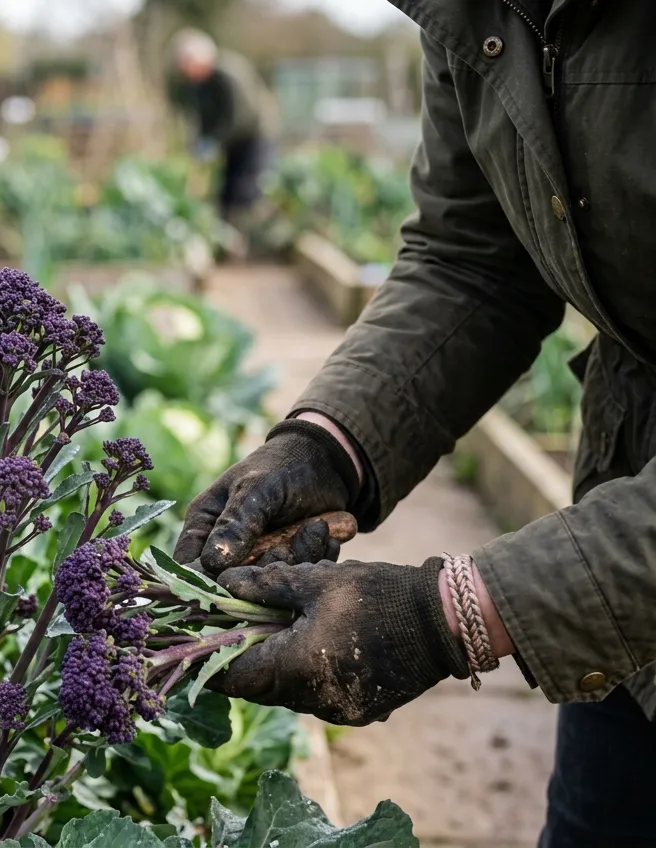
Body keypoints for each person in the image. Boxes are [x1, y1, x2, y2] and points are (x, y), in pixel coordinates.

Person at [175, 4, 656, 846]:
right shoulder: (478, 11)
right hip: (626, 523)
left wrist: (452, 614)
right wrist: (327, 443)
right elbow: (475, 255)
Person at [170, 29, 277, 241]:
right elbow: (201, 119)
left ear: (200, 58)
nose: (185, 71)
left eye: (186, 64)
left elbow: (242, 116)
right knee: (225, 192)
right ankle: (228, 240)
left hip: (255, 137)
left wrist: (214, 141)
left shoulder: (229, 74)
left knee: (245, 190)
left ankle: (253, 239)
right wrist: (197, 143)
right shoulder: (198, 85)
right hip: (231, 142)